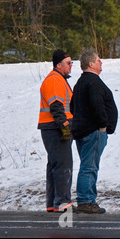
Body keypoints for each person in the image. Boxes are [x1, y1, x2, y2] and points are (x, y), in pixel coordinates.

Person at [70, 50, 118, 214]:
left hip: (82, 130)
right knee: (89, 167)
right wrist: (103, 125)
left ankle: (87, 199)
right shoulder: (93, 82)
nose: (101, 63)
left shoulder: (80, 83)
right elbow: (97, 104)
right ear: (90, 64)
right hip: (93, 131)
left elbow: (72, 107)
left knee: (87, 165)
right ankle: (86, 201)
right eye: (98, 60)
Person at [38, 49, 74, 213]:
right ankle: (62, 201)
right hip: (55, 127)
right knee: (62, 165)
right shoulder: (54, 80)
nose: (71, 65)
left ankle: (53, 203)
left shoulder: (58, 79)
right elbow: (56, 104)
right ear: (58, 65)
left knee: (55, 165)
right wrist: (64, 124)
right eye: (68, 63)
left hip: (52, 126)